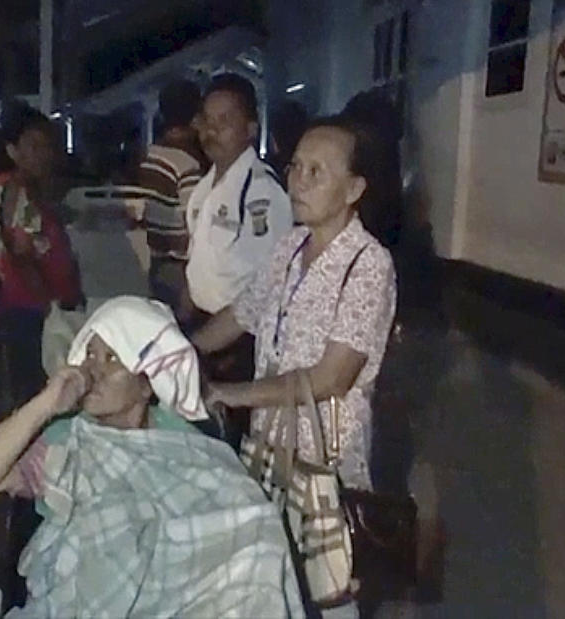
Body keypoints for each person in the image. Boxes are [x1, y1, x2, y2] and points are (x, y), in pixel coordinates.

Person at [0, 296, 305, 618]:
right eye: (89, 355)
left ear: (147, 384)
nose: (93, 371)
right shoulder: (66, 438)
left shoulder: (186, 444)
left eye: (112, 358)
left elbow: (244, 523)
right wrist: (44, 406)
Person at [193, 118, 397, 618]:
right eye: (296, 167)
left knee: (332, 590)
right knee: (266, 570)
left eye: (316, 172)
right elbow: (243, 314)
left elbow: (332, 378)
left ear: (354, 189)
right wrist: (177, 349)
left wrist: (232, 393)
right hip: (267, 442)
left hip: (324, 455)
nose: (299, 181)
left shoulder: (368, 266)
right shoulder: (289, 246)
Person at [184, 74, 293, 441]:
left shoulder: (261, 190)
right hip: (204, 328)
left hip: (241, 339)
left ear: (250, 128)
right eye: (207, 121)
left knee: (231, 438)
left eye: (225, 121)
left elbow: (271, 281)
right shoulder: (205, 187)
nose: (211, 132)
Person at [0, 99, 83, 407]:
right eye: (34, 146)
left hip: (34, 312)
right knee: (36, 400)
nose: (44, 154)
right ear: (13, 151)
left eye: (47, 146)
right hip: (30, 316)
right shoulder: (14, 190)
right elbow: (21, 255)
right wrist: (50, 308)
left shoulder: (29, 190)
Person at [130, 79, 207, 320]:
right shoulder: (189, 163)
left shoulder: (148, 155)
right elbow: (194, 222)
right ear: (196, 118)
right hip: (179, 269)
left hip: (151, 260)